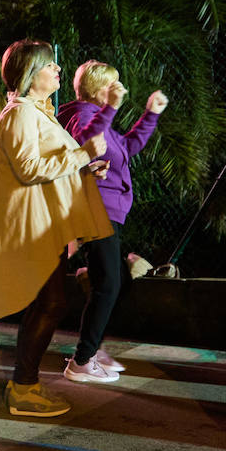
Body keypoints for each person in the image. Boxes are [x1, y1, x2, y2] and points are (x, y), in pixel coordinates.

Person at [0, 41, 111, 418]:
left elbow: (45, 164)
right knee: (51, 303)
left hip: (43, 223)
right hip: (31, 226)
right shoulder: (20, 114)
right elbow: (29, 168)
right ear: (30, 74)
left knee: (48, 303)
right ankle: (23, 388)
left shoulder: (35, 113)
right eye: (50, 65)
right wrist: (82, 154)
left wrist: (84, 169)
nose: (58, 69)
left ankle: (25, 384)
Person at [57, 62, 167, 383]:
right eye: (112, 85)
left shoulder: (98, 114)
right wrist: (111, 109)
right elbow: (85, 141)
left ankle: (92, 347)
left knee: (117, 282)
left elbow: (127, 147)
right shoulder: (83, 115)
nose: (119, 89)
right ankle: (82, 360)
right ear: (97, 88)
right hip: (94, 208)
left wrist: (151, 115)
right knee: (107, 284)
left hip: (106, 210)